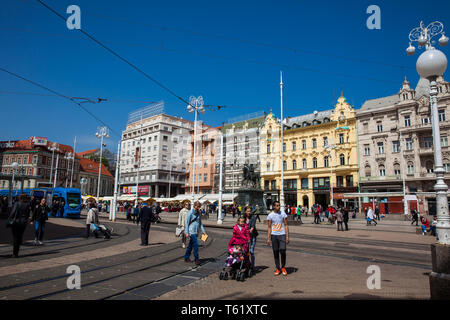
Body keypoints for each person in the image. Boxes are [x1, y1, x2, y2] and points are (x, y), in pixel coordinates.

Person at [266, 201, 289, 276]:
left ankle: (283, 267)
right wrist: (268, 238)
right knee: (275, 251)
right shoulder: (270, 215)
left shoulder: (283, 214)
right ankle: (278, 268)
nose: (278, 207)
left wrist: (287, 236)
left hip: (282, 234)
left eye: (279, 205)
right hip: (274, 235)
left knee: (282, 250)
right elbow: (269, 227)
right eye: (277, 206)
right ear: (273, 206)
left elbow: (286, 225)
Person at [184, 201, 207, 265]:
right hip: (191, 231)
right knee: (196, 245)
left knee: (190, 245)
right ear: (195, 206)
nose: (199, 208)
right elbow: (187, 223)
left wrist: (203, 231)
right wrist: (186, 232)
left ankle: (186, 257)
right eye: (198, 206)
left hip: (196, 231)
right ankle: (196, 259)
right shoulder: (190, 213)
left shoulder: (199, 213)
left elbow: (200, 223)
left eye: (199, 206)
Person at [243, 206, 258, 272]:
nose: (249, 212)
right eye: (248, 211)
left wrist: (246, 231)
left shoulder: (253, 218)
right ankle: (246, 264)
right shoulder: (242, 218)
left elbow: (252, 228)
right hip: (244, 237)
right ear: (245, 211)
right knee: (244, 251)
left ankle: (252, 266)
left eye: (250, 211)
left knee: (251, 251)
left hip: (252, 236)